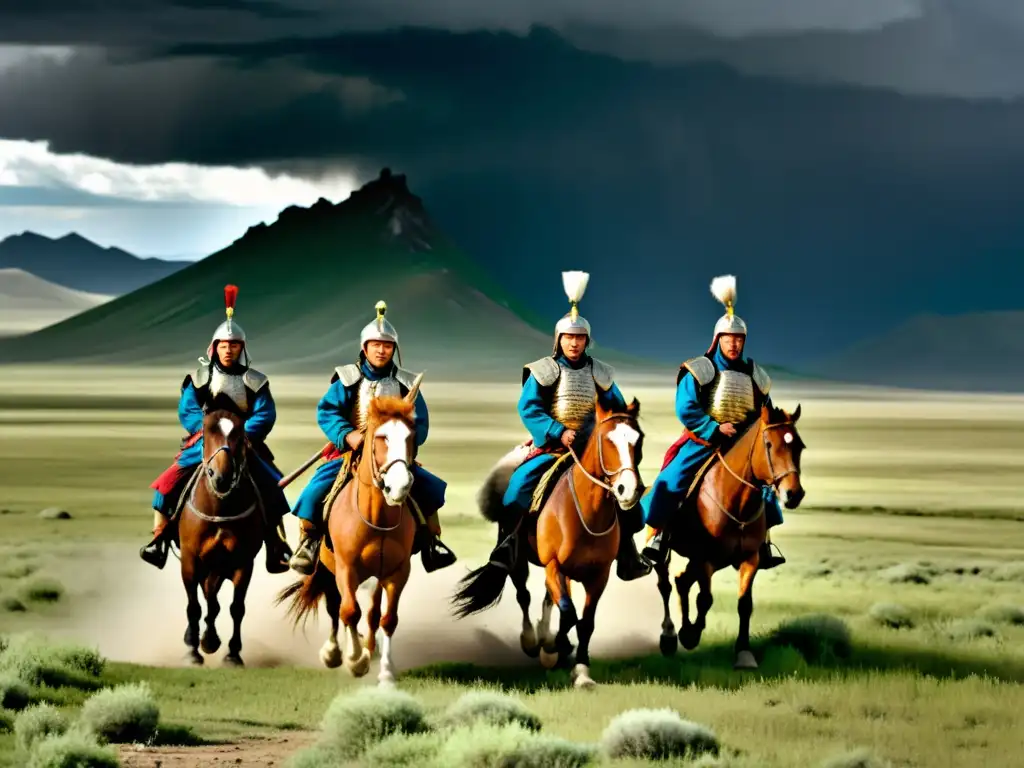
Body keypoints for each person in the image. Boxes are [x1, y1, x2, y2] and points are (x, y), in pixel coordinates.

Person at [486, 270, 652, 581]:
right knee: (518, 486)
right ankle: (507, 547)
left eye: (579, 338)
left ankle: (627, 554)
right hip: (552, 446)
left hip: (593, 451)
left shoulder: (600, 373)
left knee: (627, 498)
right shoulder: (544, 371)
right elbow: (529, 407)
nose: (574, 343)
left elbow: (615, 411)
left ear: (587, 341)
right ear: (558, 339)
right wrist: (558, 431)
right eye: (568, 337)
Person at [287, 301, 458, 575]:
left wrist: (405, 445)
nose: (381, 350)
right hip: (351, 454)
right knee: (314, 490)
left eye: (387, 346)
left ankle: (431, 543)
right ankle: (308, 543)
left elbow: (420, 422)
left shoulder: (405, 383)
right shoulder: (347, 379)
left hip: (393, 455)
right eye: (375, 345)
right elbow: (328, 411)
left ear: (394, 349)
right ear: (364, 348)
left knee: (430, 489)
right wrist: (347, 435)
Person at [142, 284, 294, 573]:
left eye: (234, 345)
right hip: (206, 443)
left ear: (241, 348)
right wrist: (207, 432)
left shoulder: (255, 381)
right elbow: (187, 409)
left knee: (275, 486)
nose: (228, 350)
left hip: (246, 444)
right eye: (223, 345)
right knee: (164, 486)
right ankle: (159, 540)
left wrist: (245, 435)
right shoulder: (199, 378)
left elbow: (265, 412)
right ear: (214, 347)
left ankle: (277, 545)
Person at [640, 274, 787, 569]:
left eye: (739, 339)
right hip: (704, 440)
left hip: (742, 445)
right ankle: (659, 537)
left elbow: (765, 413)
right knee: (673, 480)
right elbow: (686, 407)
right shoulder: (700, 369)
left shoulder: (756, 375)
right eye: (728, 338)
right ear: (718, 339)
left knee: (767, 485)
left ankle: (764, 542)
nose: (734, 344)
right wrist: (713, 428)